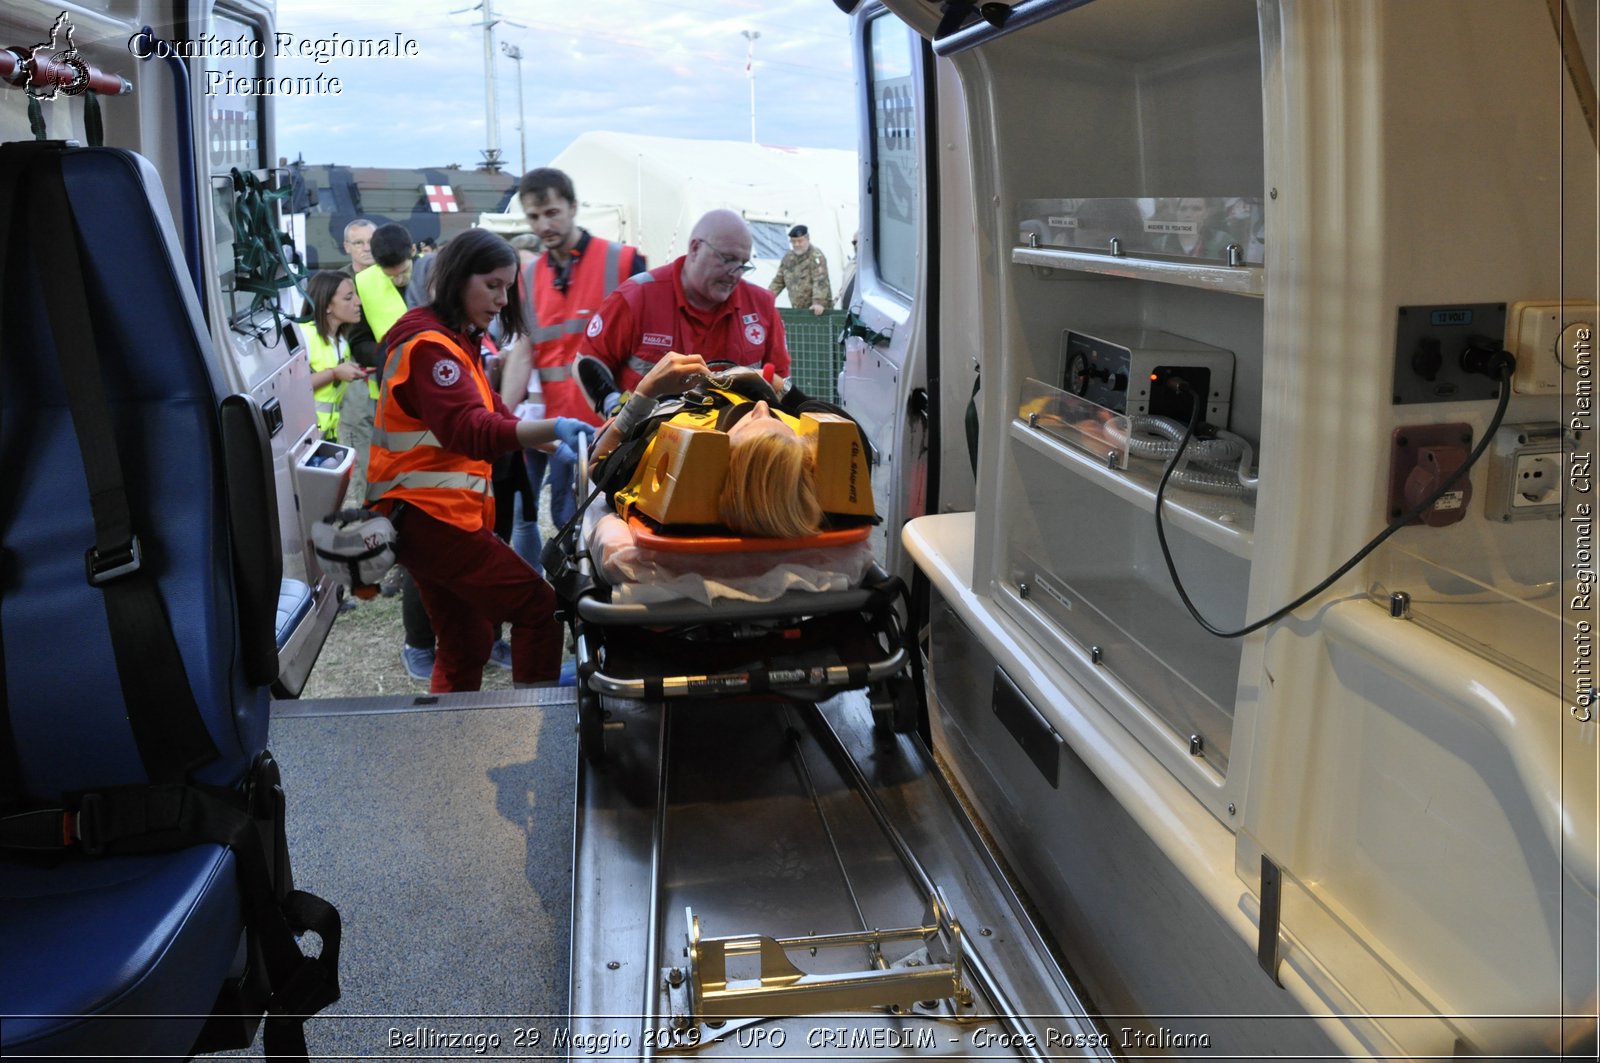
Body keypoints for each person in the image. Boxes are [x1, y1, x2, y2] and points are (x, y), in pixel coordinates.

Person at [365, 227, 594, 692]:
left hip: (430, 518)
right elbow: (471, 430)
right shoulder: (430, 348)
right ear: (457, 278)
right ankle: (536, 729)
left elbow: (495, 413)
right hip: (430, 518)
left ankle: (451, 736)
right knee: (540, 609)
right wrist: (552, 428)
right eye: (492, 285)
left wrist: (561, 445)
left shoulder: (452, 340)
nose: (502, 299)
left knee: (466, 640)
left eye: (508, 288)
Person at [500, 167, 647, 565]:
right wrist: (498, 416)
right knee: (554, 519)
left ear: (573, 207)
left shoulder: (623, 263)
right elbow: (525, 351)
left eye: (552, 212)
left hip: (608, 429)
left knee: (603, 527)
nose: (544, 225)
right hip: (552, 428)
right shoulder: (528, 277)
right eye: (534, 217)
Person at [590, 353, 830, 539]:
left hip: (663, 406)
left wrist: (646, 390)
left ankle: (611, 399)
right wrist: (775, 383)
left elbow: (597, 464)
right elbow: (840, 422)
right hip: (749, 387)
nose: (761, 408)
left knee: (617, 415)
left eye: (753, 422)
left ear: (721, 461)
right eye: (775, 420)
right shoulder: (813, 482)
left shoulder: (668, 454)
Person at [575, 209, 789, 415]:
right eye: (727, 259)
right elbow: (590, 362)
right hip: (648, 444)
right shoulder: (637, 298)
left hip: (737, 444)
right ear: (695, 248)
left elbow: (779, 384)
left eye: (742, 264)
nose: (735, 273)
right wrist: (616, 414)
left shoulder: (762, 307)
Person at [344, 223, 415, 503]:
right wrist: (390, 356)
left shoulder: (432, 273)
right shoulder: (363, 283)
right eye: (390, 274)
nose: (397, 278)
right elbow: (358, 343)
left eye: (402, 271)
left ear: (412, 253)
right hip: (390, 393)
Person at [300, 271, 370, 441]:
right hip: (304, 439)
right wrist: (334, 373)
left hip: (327, 436)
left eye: (356, 295)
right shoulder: (304, 336)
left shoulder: (342, 342)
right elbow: (292, 390)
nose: (358, 302)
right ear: (327, 305)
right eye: (348, 298)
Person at [768, 224, 832, 315]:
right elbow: (778, 281)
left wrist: (818, 303)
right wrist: (767, 298)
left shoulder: (816, 256)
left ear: (807, 239)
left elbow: (820, 281)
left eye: (800, 241)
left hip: (817, 312)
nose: (796, 244)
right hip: (798, 309)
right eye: (793, 242)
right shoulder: (788, 258)